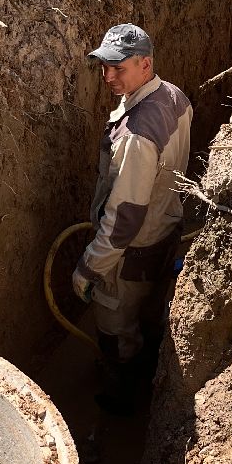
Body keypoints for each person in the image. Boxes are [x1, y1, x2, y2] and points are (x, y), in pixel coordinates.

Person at [72, 23, 192, 414]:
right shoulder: (173, 96)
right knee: (148, 310)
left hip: (131, 251)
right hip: (164, 230)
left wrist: (90, 268)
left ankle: (123, 402)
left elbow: (124, 219)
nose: (109, 76)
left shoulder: (137, 136)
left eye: (119, 68)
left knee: (115, 325)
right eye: (105, 67)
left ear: (145, 64)